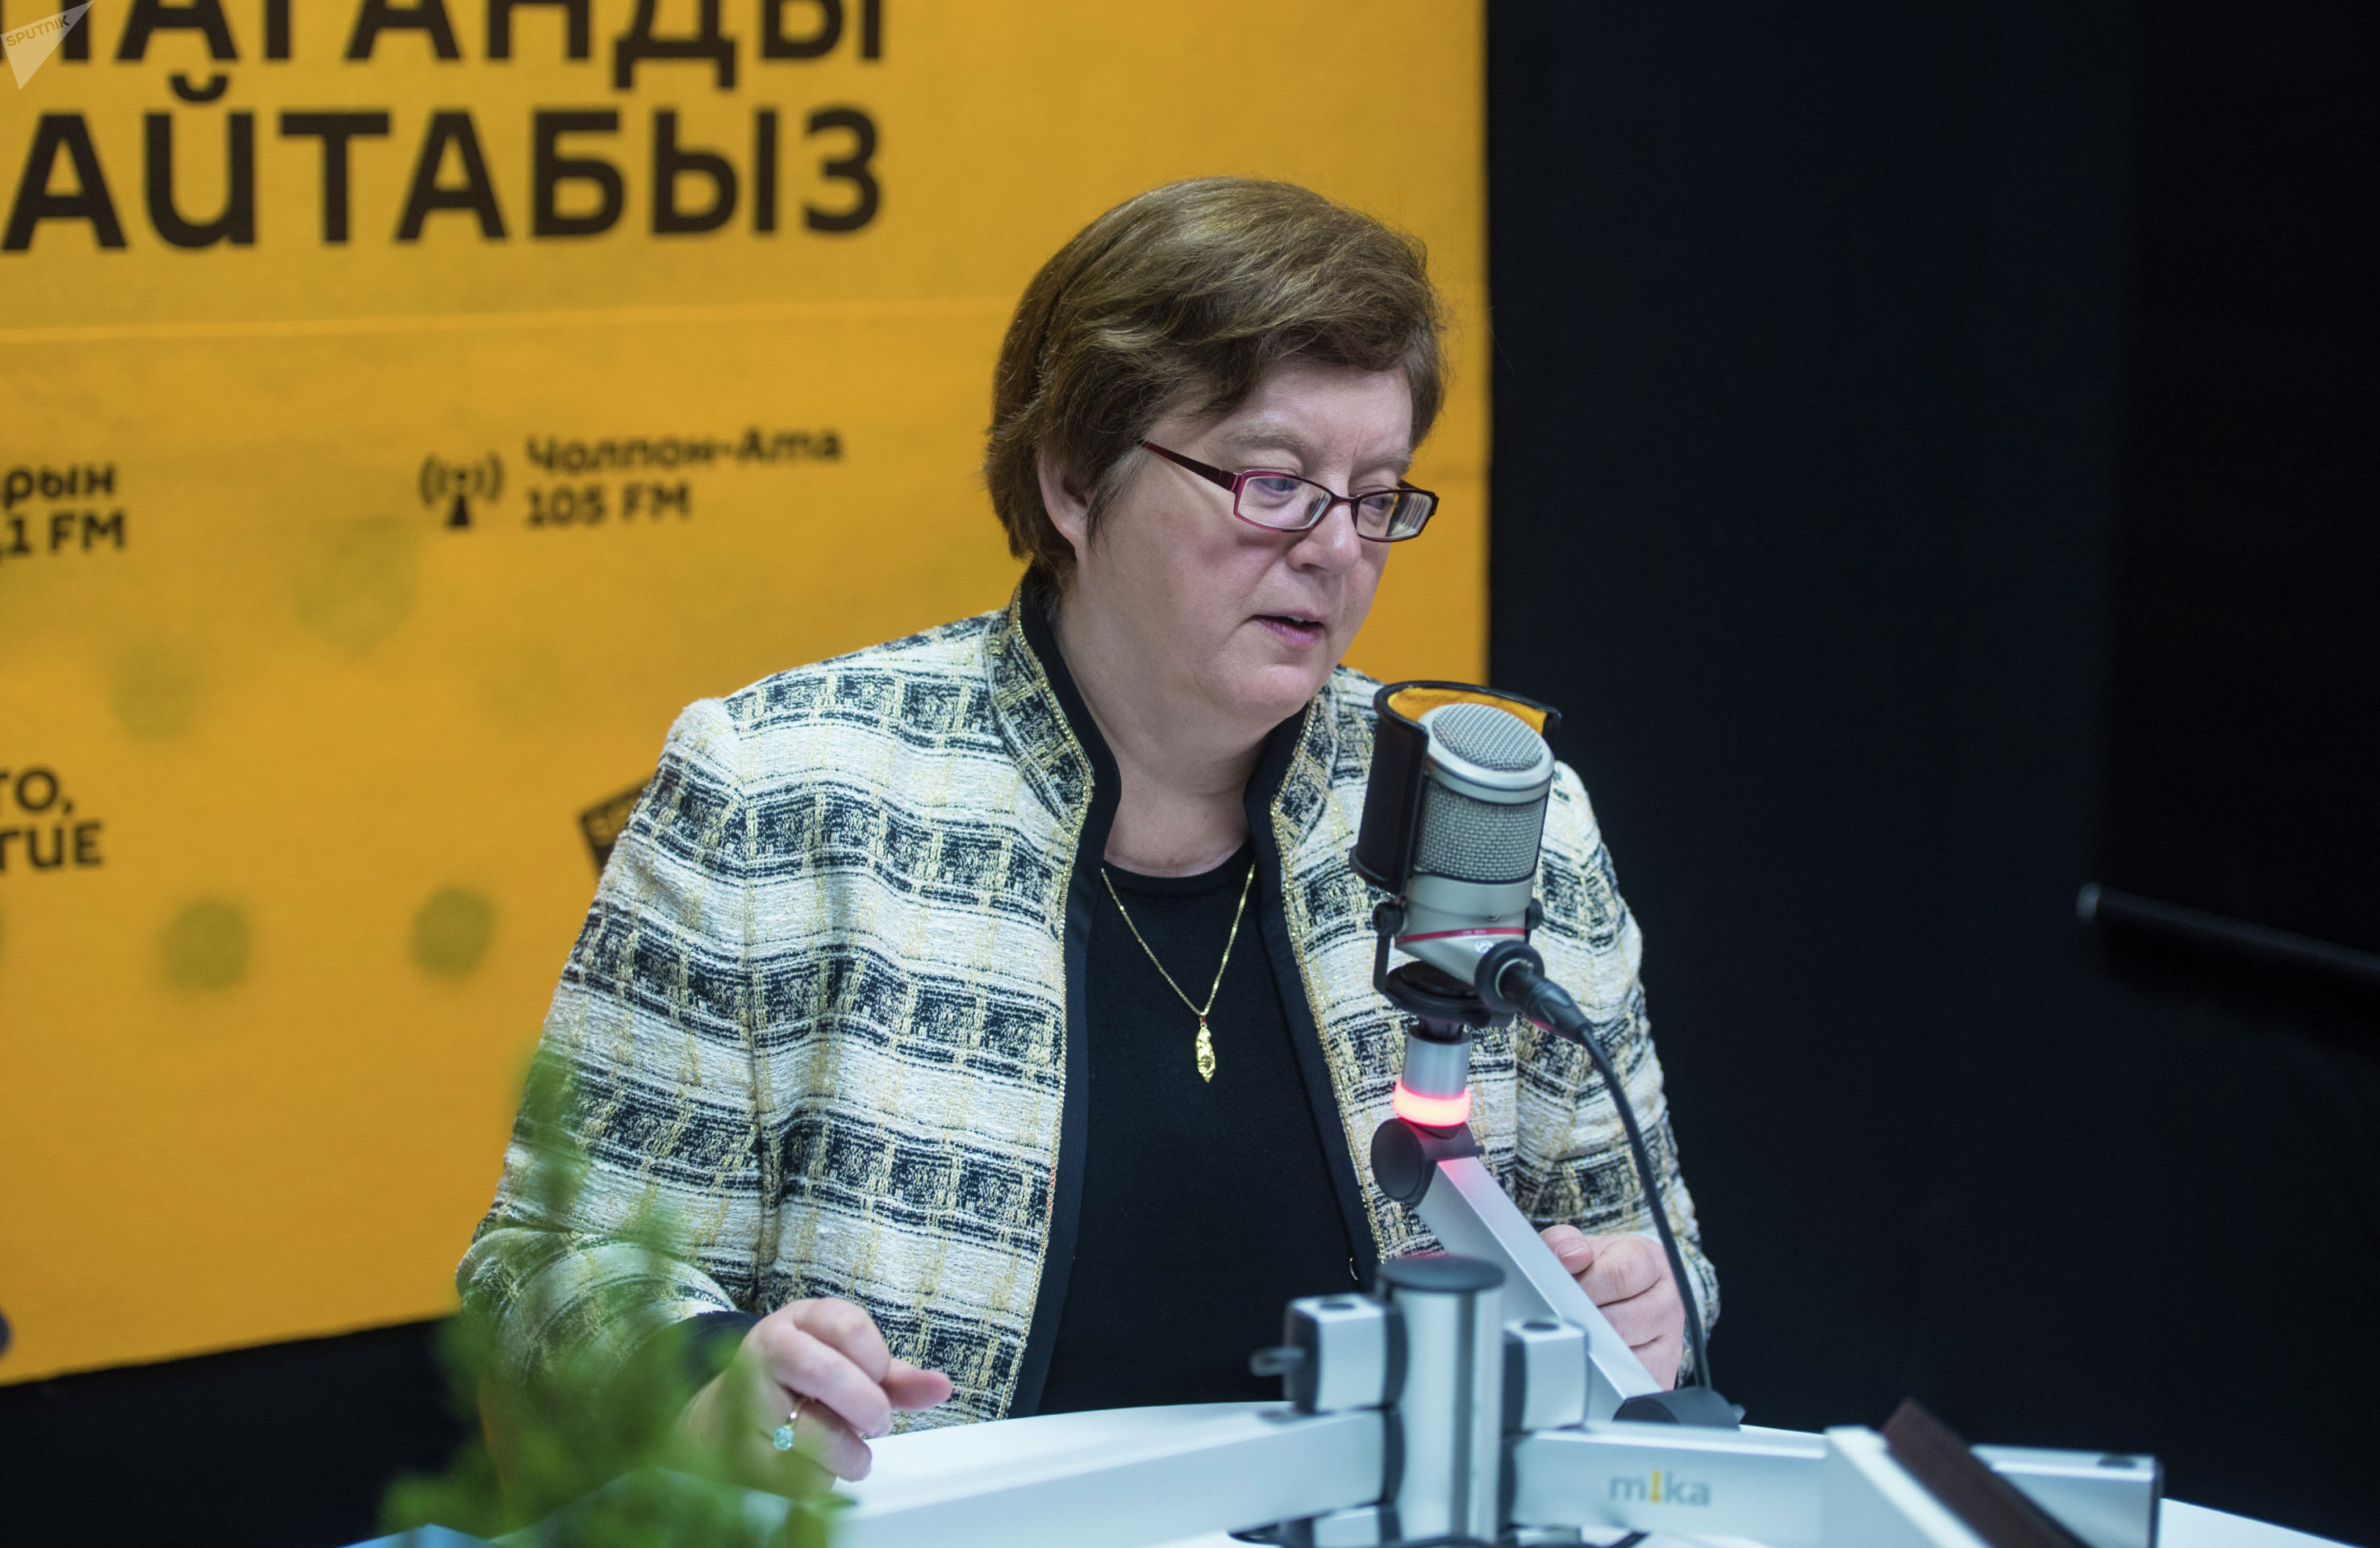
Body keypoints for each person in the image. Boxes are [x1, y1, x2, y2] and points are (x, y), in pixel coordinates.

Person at [460, 177, 1717, 1491]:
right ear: (1072, 479)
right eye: (1274, 484)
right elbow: (550, 1271)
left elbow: (1648, 1259)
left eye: (1375, 496)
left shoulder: (1494, 817)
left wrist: (1643, 1309)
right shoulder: (787, 792)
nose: (1334, 549)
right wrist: (709, 1379)